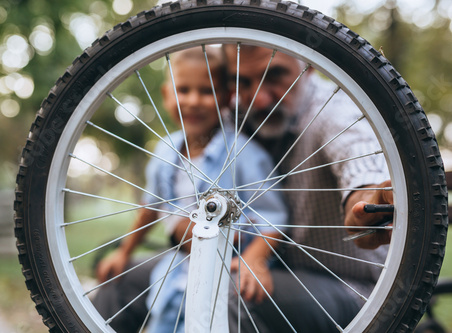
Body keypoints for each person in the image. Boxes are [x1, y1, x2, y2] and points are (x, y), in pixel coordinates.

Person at [93, 46, 288, 332]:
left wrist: (254, 260)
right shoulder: (166, 152)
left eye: (207, 91)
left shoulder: (244, 153)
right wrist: (124, 251)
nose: (194, 101)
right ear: (166, 94)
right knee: (165, 318)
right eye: (183, 90)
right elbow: (151, 206)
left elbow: (273, 219)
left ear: (226, 97)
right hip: (178, 267)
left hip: (228, 266)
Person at [222, 44, 394, 332]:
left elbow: (357, 153)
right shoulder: (234, 117)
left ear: (310, 66)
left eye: (275, 76)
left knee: (226, 291)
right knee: (127, 278)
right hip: (274, 272)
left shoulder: (333, 109)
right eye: (242, 82)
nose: (260, 99)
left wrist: (367, 198)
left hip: (357, 290)